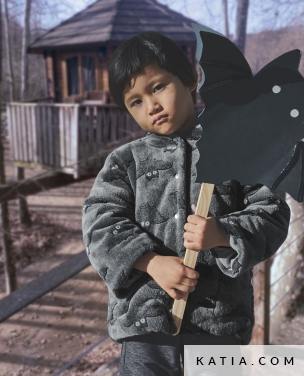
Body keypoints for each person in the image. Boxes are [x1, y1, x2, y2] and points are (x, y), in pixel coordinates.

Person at [81, 31, 290, 375]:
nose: (152, 106)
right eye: (136, 101)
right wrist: (150, 263)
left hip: (219, 321)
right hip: (145, 322)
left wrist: (224, 234)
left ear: (191, 79)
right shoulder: (125, 163)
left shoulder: (237, 148)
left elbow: (272, 212)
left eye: (158, 87)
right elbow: (99, 223)